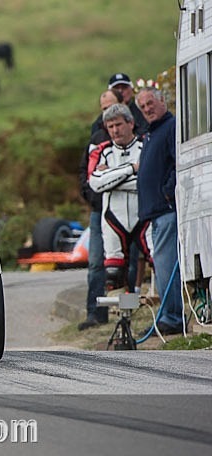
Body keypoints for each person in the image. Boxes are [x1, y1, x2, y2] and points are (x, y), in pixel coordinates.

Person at [135, 87, 184, 335]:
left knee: (165, 264)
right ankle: (168, 315)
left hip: (166, 209)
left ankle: (172, 318)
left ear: (162, 101)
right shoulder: (151, 133)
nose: (147, 109)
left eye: (150, 103)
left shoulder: (171, 126)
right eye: (142, 107)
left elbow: (179, 163)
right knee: (161, 265)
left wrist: (168, 190)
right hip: (154, 212)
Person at [88, 103, 148, 292]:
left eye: (119, 125)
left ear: (130, 123)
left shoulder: (145, 145)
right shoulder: (101, 150)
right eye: (110, 127)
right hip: (113, 217)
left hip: (144, 215)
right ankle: (125, 316)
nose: (115, 130)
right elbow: (96, 184)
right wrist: (131, 169)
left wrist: (112, 178)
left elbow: (147, 180)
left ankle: (167, 315)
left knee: (160, 263)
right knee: (114, 274)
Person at [77, 90, 122, 330]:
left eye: (111, 106)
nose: (107, 112)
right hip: (99, 210)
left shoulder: (132, 135)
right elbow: (84, 170)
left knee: (124, 262)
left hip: (124, 210)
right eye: (104, 108)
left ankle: (125, 311)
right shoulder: (96, 136)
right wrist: (91, 196)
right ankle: (95, 313)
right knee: (95, 262)